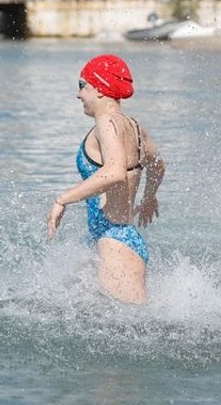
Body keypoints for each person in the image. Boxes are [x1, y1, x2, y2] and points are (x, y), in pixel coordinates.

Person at [48, 55, 164, 305]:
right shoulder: (133, 126)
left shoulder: (106, 123)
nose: (78, 95)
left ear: (99, 89)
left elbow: (114, 171)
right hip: (117, 238)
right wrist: (149, 197)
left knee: (133, 329)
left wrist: (62, 199)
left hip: (116, 245)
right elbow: (158, 165)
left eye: (82, 86)